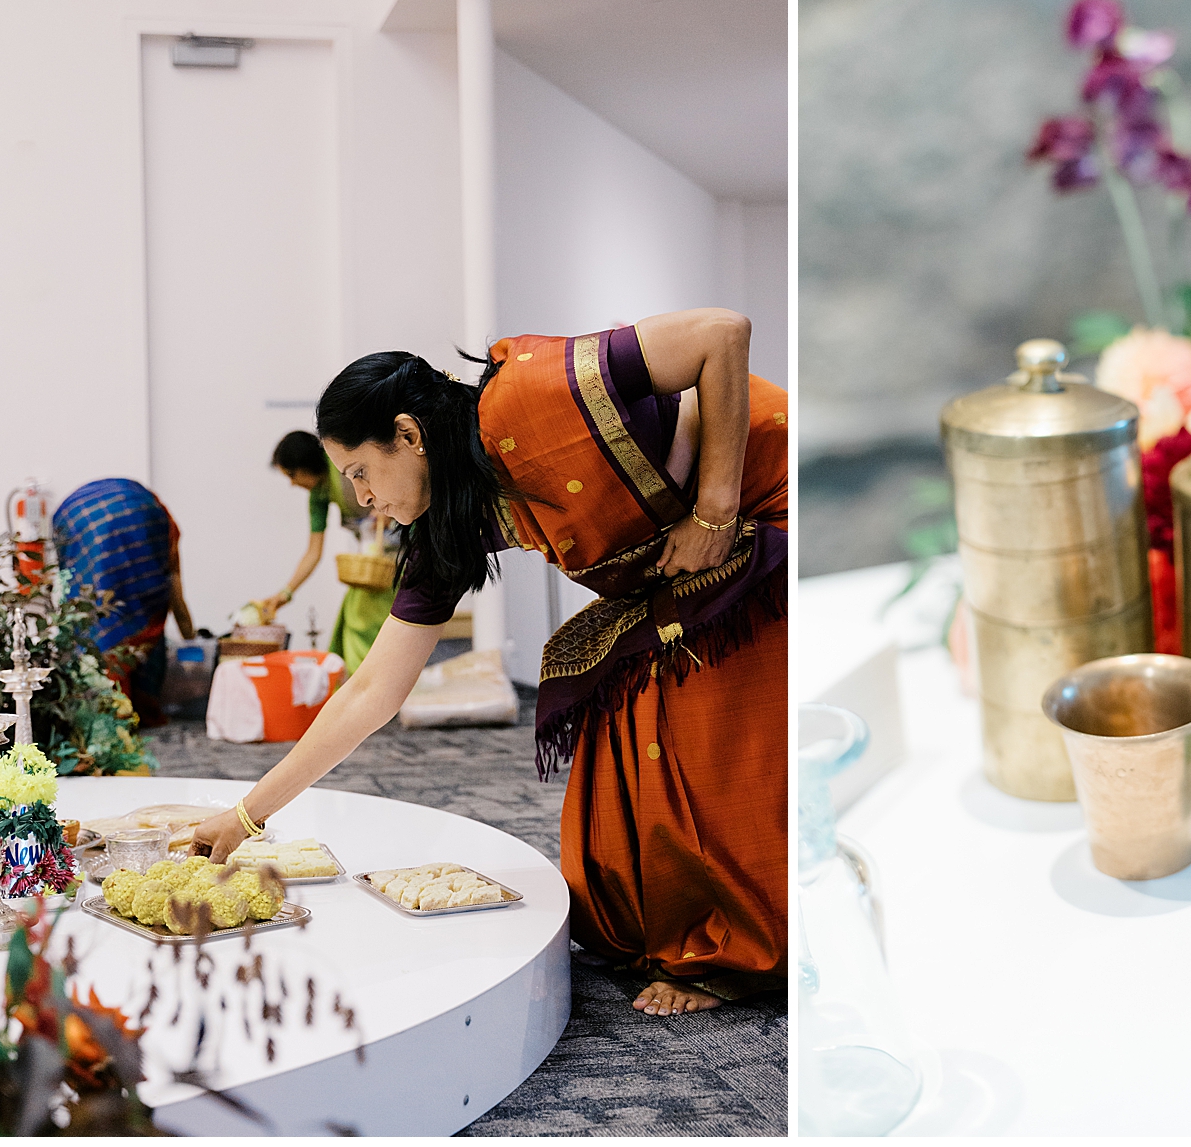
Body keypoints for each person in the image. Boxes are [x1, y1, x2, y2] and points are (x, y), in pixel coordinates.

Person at [192, 310, 787, 1018]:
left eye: (361, 471)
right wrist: (245, 815)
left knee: (701, 721)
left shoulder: (529, 398)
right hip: (681, 568)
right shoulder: (448, 528)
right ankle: (680, 929)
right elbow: (374, 690)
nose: (363, 499)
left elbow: (722, 332)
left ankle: (739, 955)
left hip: (764, 502)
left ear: (408, 435)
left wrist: (715, 508)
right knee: (620, 762)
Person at [52, 478, 196, 727]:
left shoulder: (85, 516)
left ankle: (98, 710)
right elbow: (172, 582)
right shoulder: (159, 521)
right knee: (143, 615)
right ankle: (135, 709)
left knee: (92, 615)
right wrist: (190, 636)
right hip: (134, 515)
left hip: (74, 517)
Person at [255, 432, 395, 673]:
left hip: (401, 554)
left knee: (361, 624)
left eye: (291, 475)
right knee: (347, 623)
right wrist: (285, 594)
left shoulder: (343, 464)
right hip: (376, 561)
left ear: (305, 465)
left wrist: (388, 504)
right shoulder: (318, 494)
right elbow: (313, 551)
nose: (292, 483)